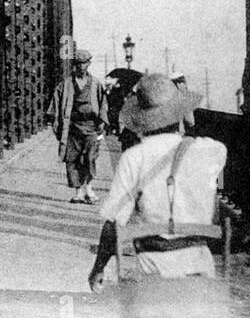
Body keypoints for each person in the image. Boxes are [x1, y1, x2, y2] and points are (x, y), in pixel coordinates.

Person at [88, 73, 226, 290]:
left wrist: (98, 269)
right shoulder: (214, 151)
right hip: (201, 268)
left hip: (153, 269)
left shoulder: (134, 158)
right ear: (179, 113)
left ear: (142, 118)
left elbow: (113, 224)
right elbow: (194, 128)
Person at [46, 49, 109, 204]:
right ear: (75, 65)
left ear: (89, 63)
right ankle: (78, 191)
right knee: (72, 159)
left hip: (91, 126)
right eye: (79, 64)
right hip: (72, 126)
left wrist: (102, 121)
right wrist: (55, 122)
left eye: (84, 63)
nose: (81, 67)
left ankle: (89, 187)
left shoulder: (95, 84)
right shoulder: (66, 84)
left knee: (90, 157)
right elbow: (55, 103)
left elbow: (103, 104)